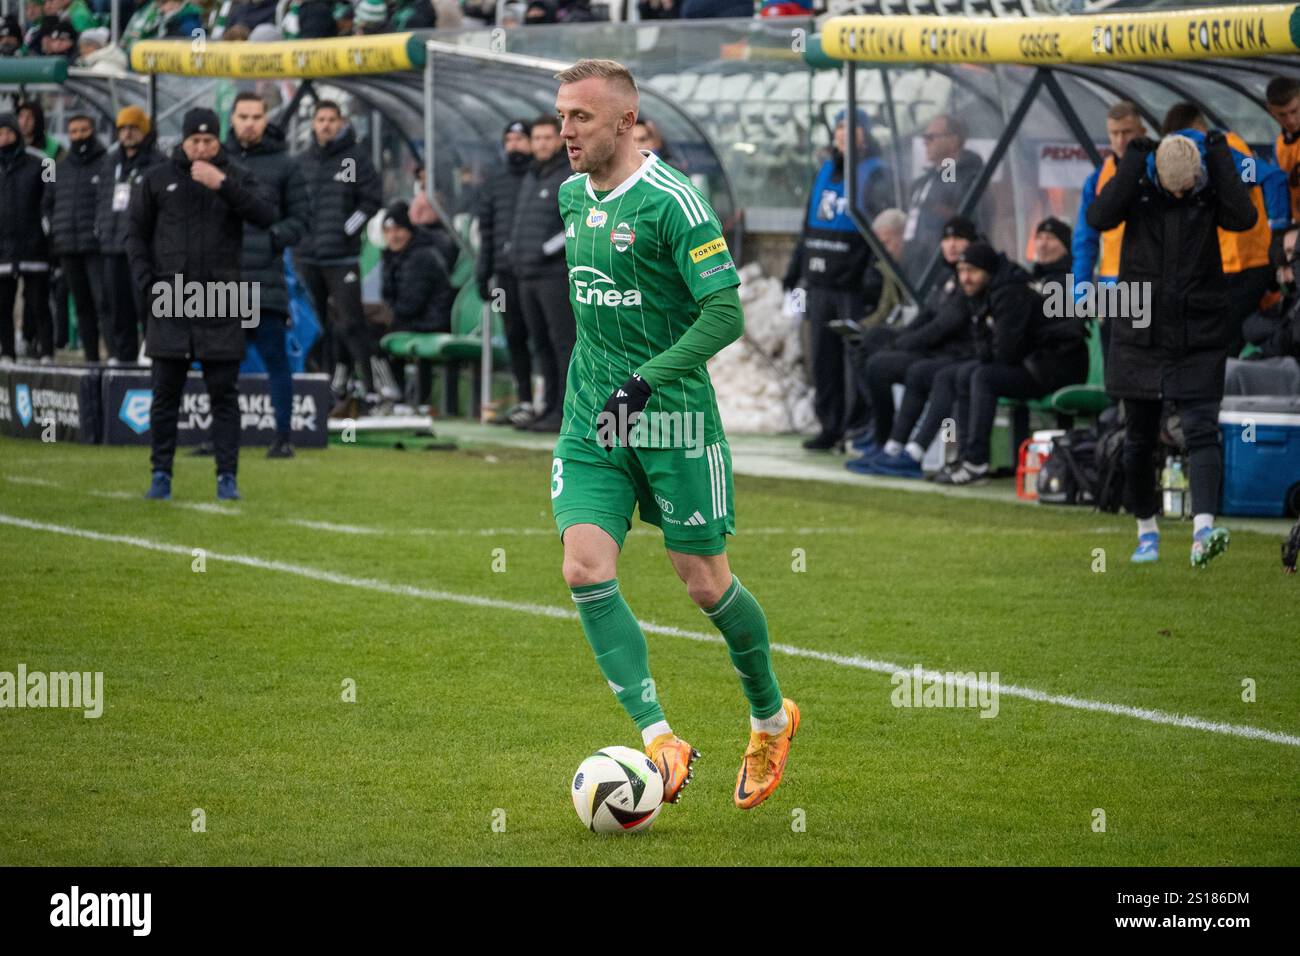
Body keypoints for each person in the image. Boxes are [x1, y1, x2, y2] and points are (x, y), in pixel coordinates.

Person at [552, 58, 798, 811]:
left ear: (626, 122)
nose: (564, 131)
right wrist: (608, 389)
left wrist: (644, 382)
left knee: (702, 581)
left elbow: (724, 314)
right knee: (584, 570)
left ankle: (769, 716)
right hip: (595, 420)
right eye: (561, 116)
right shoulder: (569, 196)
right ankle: (659, 737)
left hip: (673, 421)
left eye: (580, 118)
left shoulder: (674, 203)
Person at [1086, 129, 1257, 566]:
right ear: (1156, 176)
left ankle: (1203, 530)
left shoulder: (1210, 191)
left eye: (1188, 184)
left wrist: (1220, 157)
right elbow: (1099, 216)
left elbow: (1244, 217)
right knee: (1138, 439)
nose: (1181, 192)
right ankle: (1147, 532)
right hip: (1138, 333)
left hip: (1197, 333)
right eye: (1173, 186)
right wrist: (1130, 162)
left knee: (1202, 431)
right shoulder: (1138, 193)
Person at [127, 107, 276, 502]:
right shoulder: (157, 178)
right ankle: (161, 475)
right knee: (165, 395)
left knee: (224, 395)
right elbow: (135, 236)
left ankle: (227, 477)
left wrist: (222, 184)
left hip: (224, 297)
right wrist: (146, 283)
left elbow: (266, 216)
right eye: (196, 141)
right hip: (170, 296)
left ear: (219, 141)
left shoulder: (236, 176)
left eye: (210, 141)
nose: (203, 148)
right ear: (184, 140)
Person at [934, 241, 1088, 486]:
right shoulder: (986, 293)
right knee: (962, 374)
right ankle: (963, 456)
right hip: (1034, 363)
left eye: (971, 271)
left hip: (1056, 367)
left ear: (987, 271)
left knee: (983, 377)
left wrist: (985, 342)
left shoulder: (1009, 292)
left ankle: (976, 462)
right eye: (961, 271)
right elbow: (993, 349)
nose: (965, 278)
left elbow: (1005, 352)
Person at [783, 106, 892, 450]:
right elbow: (808, 225)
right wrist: (795, 270)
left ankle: (856, 426)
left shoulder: (875, 173)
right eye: (839, 127)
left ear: (865, 134)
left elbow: (880, 231)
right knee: (823, 359)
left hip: (852, 285)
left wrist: (870, 276)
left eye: (851, 128)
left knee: (853, 358)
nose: (843, 133)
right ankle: (829, 425)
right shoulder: (827, 169)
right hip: (819, 281)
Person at [1161, 101, 1288, 357]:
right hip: (1225, 264)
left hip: (1248, 262)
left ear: (1200, 128)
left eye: (1189, 141)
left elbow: (1265, 177)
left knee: (1224, 341)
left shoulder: (1228, 148)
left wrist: (1278, 232)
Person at [851, 215, 975, 473]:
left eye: (958, 239)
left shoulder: (971, 277)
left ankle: (901, 447)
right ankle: (886, 443)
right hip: (935, 350)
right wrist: (899, 338)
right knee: (871, 342)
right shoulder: (946, 275)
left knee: (885, 366)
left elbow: (945, 326)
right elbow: (928, 316)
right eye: (947, 239)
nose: (952, 245)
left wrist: (903, 344)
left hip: (952, 355)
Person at [294, 99, 394, 415]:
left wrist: (345, 230)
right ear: (313, 124)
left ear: (341, 123)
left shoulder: (355, 159)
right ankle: (321, 389)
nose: (325, 125)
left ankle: (376, 392)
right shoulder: (302, 161)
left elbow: (371, 200)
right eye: (320, 119)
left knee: (352, 324)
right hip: (307, 256)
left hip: (341, 257)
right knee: (314, 325)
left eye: (331, 119)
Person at [225, 91, 310, 459]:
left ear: (265, 119)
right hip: (221, 280)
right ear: (231, 119)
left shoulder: (286, 165)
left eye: (257, 116)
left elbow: (301, 219)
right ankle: (219, 436)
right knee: (220, 362)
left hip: (265, 280)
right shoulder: (217, 160)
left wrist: (274, 238)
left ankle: (282, 436)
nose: (250, 123)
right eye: (243, 116)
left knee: (275, 357)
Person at [508, 116, 575, 433]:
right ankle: (546, 407)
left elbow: (571, 226)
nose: (542, 144)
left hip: (554, 275)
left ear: (559, 140)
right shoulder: (531, 176)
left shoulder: (569, 176)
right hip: (526, 275)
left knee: (563, 344)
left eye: (548, 138)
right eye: (537, 139)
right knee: (541, 345)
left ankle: (564, 410)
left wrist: (545, 251)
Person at [1073, 101, 1147, 355]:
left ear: (1142, 132)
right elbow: (1085, 240)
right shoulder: (1097, 179)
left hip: (1150, 282)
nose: (1120, 140)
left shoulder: (1158, 170)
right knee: (1114, 368)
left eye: (1127, 132)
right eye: (1114, 134)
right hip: (1111, 284)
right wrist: (1079, 296)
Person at [475, 119, 535, 425]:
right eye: (509, 140)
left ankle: (554, 401)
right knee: (514, 335)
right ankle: (525, 400)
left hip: (538, 272)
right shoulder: (495, 183)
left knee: (547, 338)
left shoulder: (541, 178)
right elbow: (487, 231)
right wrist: (483, 271)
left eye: (520, 139)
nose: (514, 146)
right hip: (505, 273)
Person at [96, 104, 164, 363]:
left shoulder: (158, 163)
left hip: (144, 246)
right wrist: (100, 229)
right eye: (123, 128)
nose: (127, 133)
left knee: (146, 302)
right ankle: (121, 355)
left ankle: (151, 350)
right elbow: (102, 198)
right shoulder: (111, 162)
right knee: (116, 304)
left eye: (133, 128)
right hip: (112, 245)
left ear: (144, 131)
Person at [42, 113, 108, 361]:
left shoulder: (106, 162)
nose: (79, 136)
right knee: (82, 306)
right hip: (67, 245)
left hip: (95, 246)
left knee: (103, 303)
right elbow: (46, 203)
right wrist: (54, 233)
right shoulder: (59, 167)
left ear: (93, 130)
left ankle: (113, 354)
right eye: (74, 131)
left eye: (84, 130)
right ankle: (91, 358)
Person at [380, 200, 453, 407]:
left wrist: (385, 314)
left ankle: (393, 394)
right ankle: (387, 392)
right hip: (412, 317)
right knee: (353, 328)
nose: (393, 236)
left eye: (398, 229)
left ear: (409, 230)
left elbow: (410, 306)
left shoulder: (421, 256)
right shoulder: (392, 256)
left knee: (375, 332)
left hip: (430, 321)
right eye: (388, 230)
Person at [901, 113, 987, 283]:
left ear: (953, 140)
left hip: (941, 267)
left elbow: (960, 213)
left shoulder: (960, 175)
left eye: (930, 137)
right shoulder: (930, 177)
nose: (925, 141)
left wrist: (934, 208)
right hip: (917, 264)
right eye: (924, 137)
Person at [0, 113, 52, 361]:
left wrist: (47, 231)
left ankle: (46, 351)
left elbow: (51, 196)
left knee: (38, 303)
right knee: (3, 305)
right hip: (3, 248)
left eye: (8, 132)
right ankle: (7, 352)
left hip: (35, 245)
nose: (4, 138)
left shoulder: (42, 162)